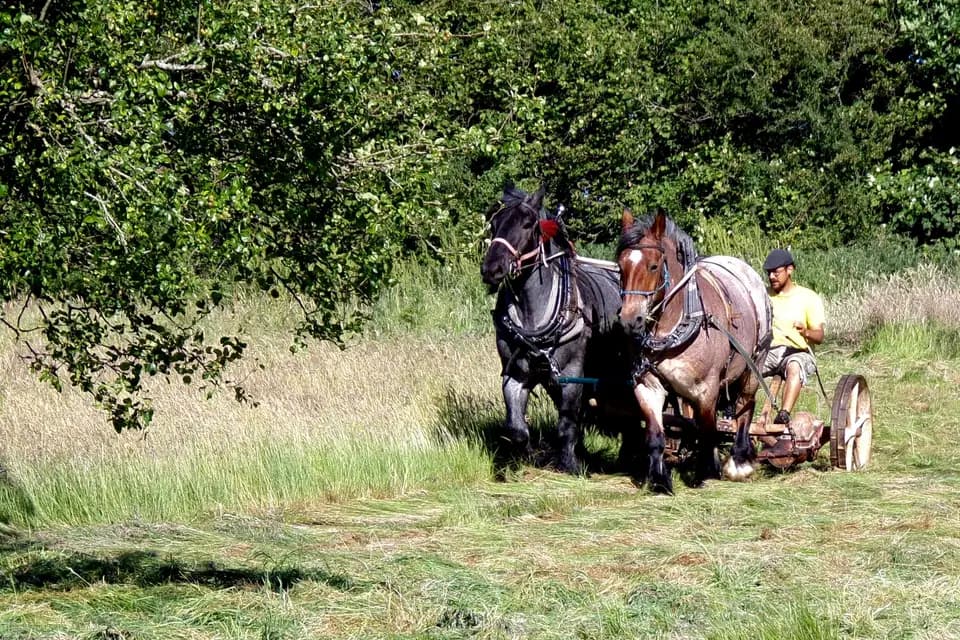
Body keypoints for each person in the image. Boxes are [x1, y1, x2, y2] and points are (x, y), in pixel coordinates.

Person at [761, 248, 825, 424]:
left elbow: (819, 336)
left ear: (790, 270)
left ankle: (783, 414)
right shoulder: (763, 296)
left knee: (795, 366)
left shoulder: (808, 298)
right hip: (768, 351)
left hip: (798, 351)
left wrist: (806, 332)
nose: (772, 276)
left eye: (776, 272)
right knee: (743, 368)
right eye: (769, 273)